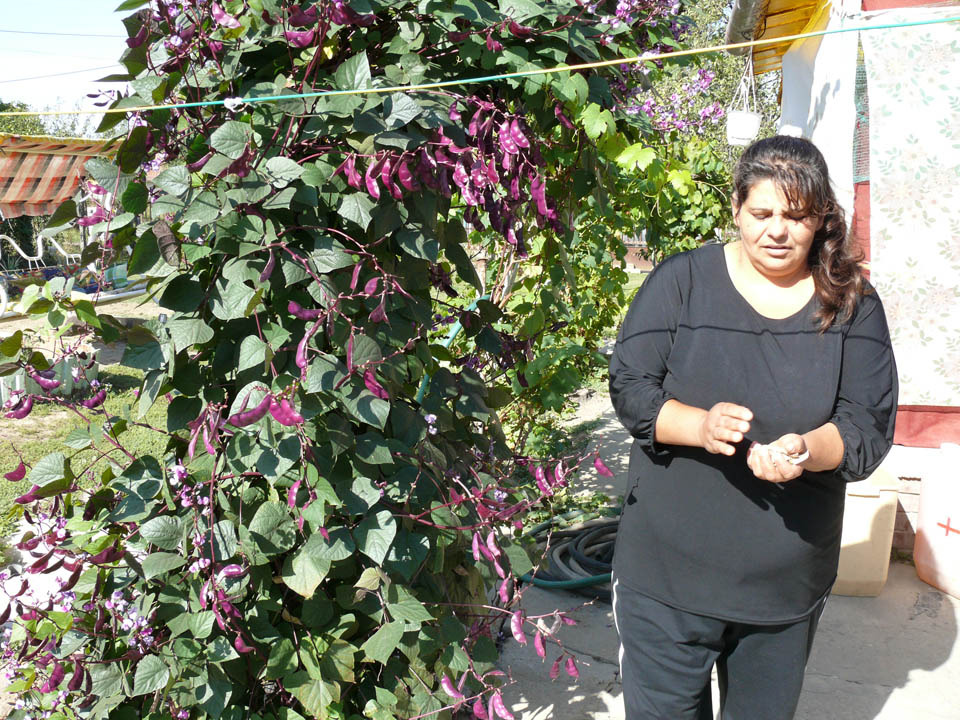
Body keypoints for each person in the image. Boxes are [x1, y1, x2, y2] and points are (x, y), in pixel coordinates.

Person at [608, 135, 898, 720]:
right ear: (736, 208)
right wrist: (700, 425)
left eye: (796, 216)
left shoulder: (852, 304)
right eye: (761, 213)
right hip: (666, 578)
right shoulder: (682, 282)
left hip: (782, 588)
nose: (777, 231)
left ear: (821, 218)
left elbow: (866, 423)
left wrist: (806, 449)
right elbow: (630, 383)